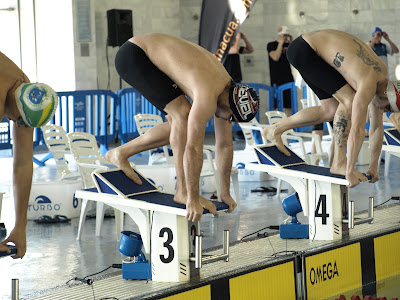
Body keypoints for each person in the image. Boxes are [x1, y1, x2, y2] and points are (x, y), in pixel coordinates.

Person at [105, 33, 259, 222]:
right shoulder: (207, 95)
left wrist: (225, 192)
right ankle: (182, 191)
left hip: (151, 56)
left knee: (179, 123)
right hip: (136, 55)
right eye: (231, 118)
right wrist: (192, 198)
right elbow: (193, 147)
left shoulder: (227, 92)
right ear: (230, 107)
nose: (229, 122)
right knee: (182, 116)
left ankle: (120, 153)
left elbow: (225, 144)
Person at [261, 29, 400, 188]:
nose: (385, 111)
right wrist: (349, 169)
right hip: (306, 49)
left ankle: (274, 130)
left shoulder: (381, 83)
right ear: (386, 95)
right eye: (387, 108)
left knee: (330, 109)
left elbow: (376, 128)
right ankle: (339, 163)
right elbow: (357, 129)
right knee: (349, 99)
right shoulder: (368, 82)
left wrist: (373, 166)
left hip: (307, 49)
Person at [0, 51, 58, 258]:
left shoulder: (26, 88)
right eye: (17, 119)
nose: (19, 125)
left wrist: (20, 226)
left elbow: (23, 163)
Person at [267, 25, 294, 116]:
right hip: (276, 79)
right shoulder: (271, 45)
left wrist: (293, 42)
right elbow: (275, 57)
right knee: (275, 104)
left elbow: (297, 56)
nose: (285, 38)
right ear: (279, 35)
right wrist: (280, 43)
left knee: (288, 105)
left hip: (288, 78)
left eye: (287, 35)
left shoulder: (289, 45)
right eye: (284, 35)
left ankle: (289, 126)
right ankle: (274, 124)